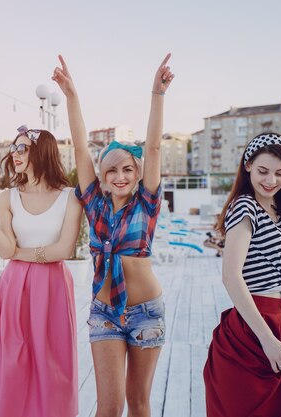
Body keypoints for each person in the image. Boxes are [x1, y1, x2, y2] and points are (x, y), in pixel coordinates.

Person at [52, 54, 174, 417]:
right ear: (102, 179)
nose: (119, 176)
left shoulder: (147, 204)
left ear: (137, 175)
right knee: (108, 406)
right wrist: (72, 96)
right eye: (111, 171)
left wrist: (157, 94)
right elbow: (79, 148)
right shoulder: (95, 205)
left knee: (138, 403)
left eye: (126, 170)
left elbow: (152, 148)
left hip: (145, 314)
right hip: (104, 312)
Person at [203, 132, 281, 417]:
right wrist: (267, 339)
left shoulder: (275, 209)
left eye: (280, 173)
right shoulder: (245, 207)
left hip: (277, 319)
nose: (271, 180)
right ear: (247, 166)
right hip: (253, 326)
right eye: (263, 171)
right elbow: (231, 276)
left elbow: (257, 259)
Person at [0, 125, 82, 417]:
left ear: (41, 152)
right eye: (14, 148)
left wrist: (21, 254)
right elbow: (5, 250)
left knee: (52, 363)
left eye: (23, 148)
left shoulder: (70, 196)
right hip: (15, 286)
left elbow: (64, 250)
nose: (15, 154)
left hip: (54, 286)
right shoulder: (7, 197)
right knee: (11, 362)